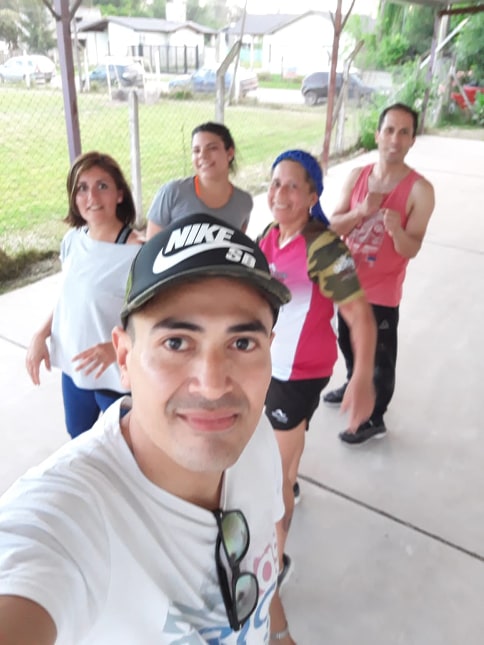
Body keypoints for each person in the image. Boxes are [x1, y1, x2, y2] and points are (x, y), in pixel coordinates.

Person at [0, 213, 297, 644]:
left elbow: (261, 561)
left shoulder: (255, 437)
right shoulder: (69, 518)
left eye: (242, 343)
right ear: (124, 358)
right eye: (176, 343)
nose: (213, 385)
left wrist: (281, 633)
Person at [257, 150, 377, 587]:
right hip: (271, 365)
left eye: (293, 185)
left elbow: (360, 316)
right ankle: (290, 479)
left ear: (312, 196)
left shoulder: (325, 249)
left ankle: (274, 564)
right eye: (275, 183)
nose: (280, 193)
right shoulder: (269, 235)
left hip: (300, 371)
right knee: (285, 448)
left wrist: (361, 377)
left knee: (275, 477)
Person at [323, 103, 435, 445]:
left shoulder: (420, 190)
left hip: (383, 290)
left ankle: (374, 418)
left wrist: (396, 230)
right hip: (347, 282)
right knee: (347, 341)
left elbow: (411, 248)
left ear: (412, 139)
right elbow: (332, 227)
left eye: (404, 132)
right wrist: (361, 211)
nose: (395, 139)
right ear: (378, 134)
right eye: (389, 130)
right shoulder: (357, 176)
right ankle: (353, 382)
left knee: (380, 358)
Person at [25, 151, 143, 439]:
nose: (92, 197)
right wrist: (41, 335)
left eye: (102, 186)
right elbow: (69, 298)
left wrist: (116, 347)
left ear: (119, 194)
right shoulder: (72, 240)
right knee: (78, 437)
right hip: (75, 369)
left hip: (116, 375)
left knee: (127, 447)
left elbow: (156, 319)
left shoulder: (138, 253)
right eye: (82, 188)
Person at [146, 122, 253, 238]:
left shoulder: (244, 202)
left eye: (212, 148)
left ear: (230, 153)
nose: (203, 155)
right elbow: (152, 245)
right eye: (196, 150)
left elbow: (238, 245)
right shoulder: (172, 192)